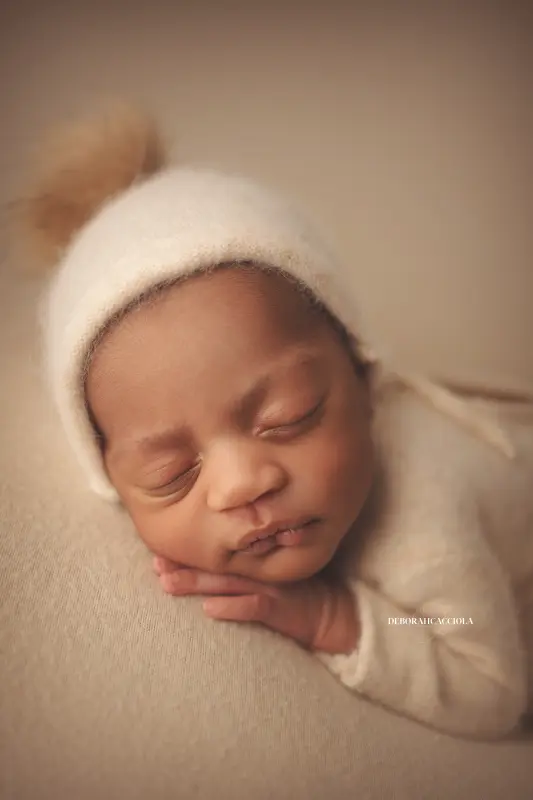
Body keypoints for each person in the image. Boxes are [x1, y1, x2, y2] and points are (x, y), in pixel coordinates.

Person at [16, 105, 533, 740]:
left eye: (289, 417)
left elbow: (486, 676)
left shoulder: (424, 515)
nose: (242, 484)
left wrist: (335, 617)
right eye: (171, 474)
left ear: (363, 374)